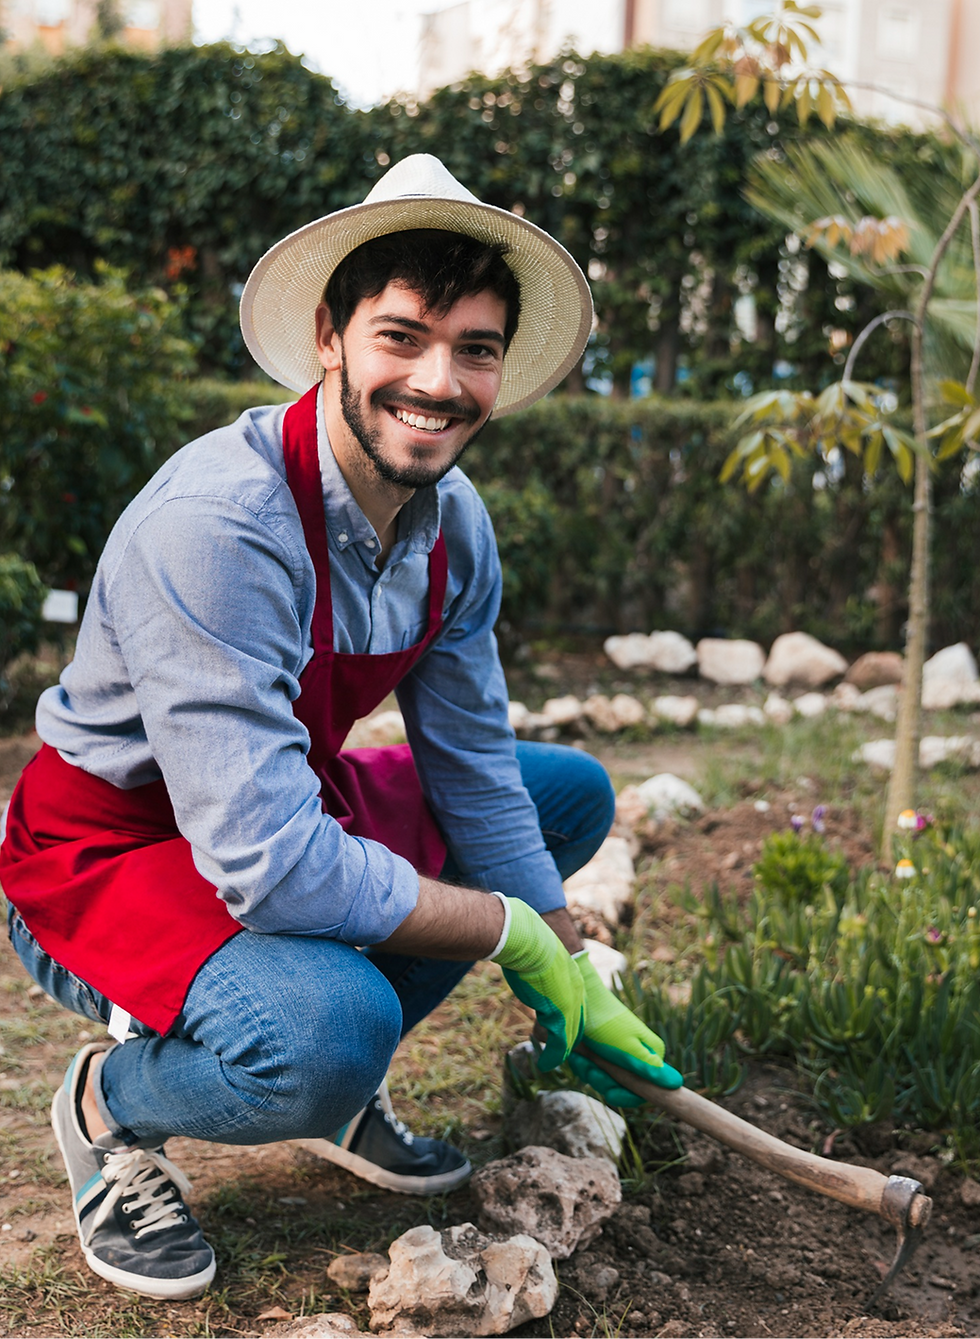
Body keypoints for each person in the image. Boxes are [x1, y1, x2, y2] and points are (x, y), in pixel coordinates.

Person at [0, 154, 681, 1302]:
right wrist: (509, 932)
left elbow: (469, 767)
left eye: (473, 347)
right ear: (330, 334)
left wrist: (564, 954)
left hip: (274, 804)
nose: (438, 379)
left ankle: (338, 1078)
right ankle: (111, 1105)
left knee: (561, 795)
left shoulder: (452, 525)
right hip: (102, 856)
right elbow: (267, 866)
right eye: (402, 336)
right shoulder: (220, 526)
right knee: (325, 1029)